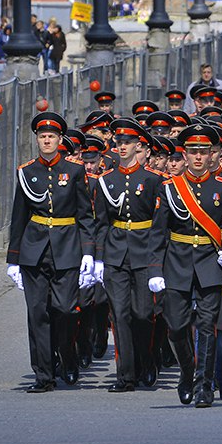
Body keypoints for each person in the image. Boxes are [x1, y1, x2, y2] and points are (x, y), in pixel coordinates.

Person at [154, 124, 222, 407]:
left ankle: (204, 385)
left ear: (211, 155)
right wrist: (155, 269)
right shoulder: (170, 188)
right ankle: (187, 372)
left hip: (209, 262)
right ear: (184, 155)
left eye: (203, 152)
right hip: (177, 262)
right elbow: (158, 233)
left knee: (207, 326)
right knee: (176, 326)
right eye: (192, 151)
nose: (197, 157)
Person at [6, 111, 96, 393]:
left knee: (65, 309)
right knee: (37, 314)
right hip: (34, 250)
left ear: (60, 140)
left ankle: (67, 355)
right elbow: (19, 216)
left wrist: (88, 252)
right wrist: (13, 259)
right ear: (37, 140)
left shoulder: (74, 170)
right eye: (43, 136)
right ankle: (43, 375)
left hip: (67, 247)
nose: (47, 140)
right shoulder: (26, 171)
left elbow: (85, 214)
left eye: (51, 136)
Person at [92, 119, 166, 392]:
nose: (122, 147)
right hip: (116, 253)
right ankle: (126, 375)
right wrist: (98, 258)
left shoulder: (153, 179)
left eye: (128, 143)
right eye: (119, 142)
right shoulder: (106, 180)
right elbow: (101, 222)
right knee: (120, 315)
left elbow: (159, 223)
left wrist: (159, 258)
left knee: (143, 313)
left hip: (144, 251)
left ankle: (147, 361)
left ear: (138, 146)